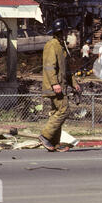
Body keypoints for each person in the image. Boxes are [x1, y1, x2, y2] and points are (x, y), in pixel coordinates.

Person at [39, 18, 81, 152]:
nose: (67, 33)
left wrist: (74, 84)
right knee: (64, 110)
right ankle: (45, 135)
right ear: (59, 31)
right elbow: (49, 67)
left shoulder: (61, 47)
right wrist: (54, 84)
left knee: (57, 112)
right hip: (55, 86)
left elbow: (66, 70)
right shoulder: (52, 45)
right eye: (65, 31)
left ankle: (54, 143)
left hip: (60, 86)